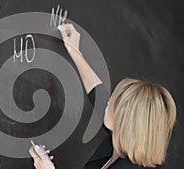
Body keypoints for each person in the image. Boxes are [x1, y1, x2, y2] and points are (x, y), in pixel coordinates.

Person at [29, 24, 177, 169]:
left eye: (110, 105)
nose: (106, 103)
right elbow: (97, 92)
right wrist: (74, 51)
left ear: (122, 123)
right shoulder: (122, 143)